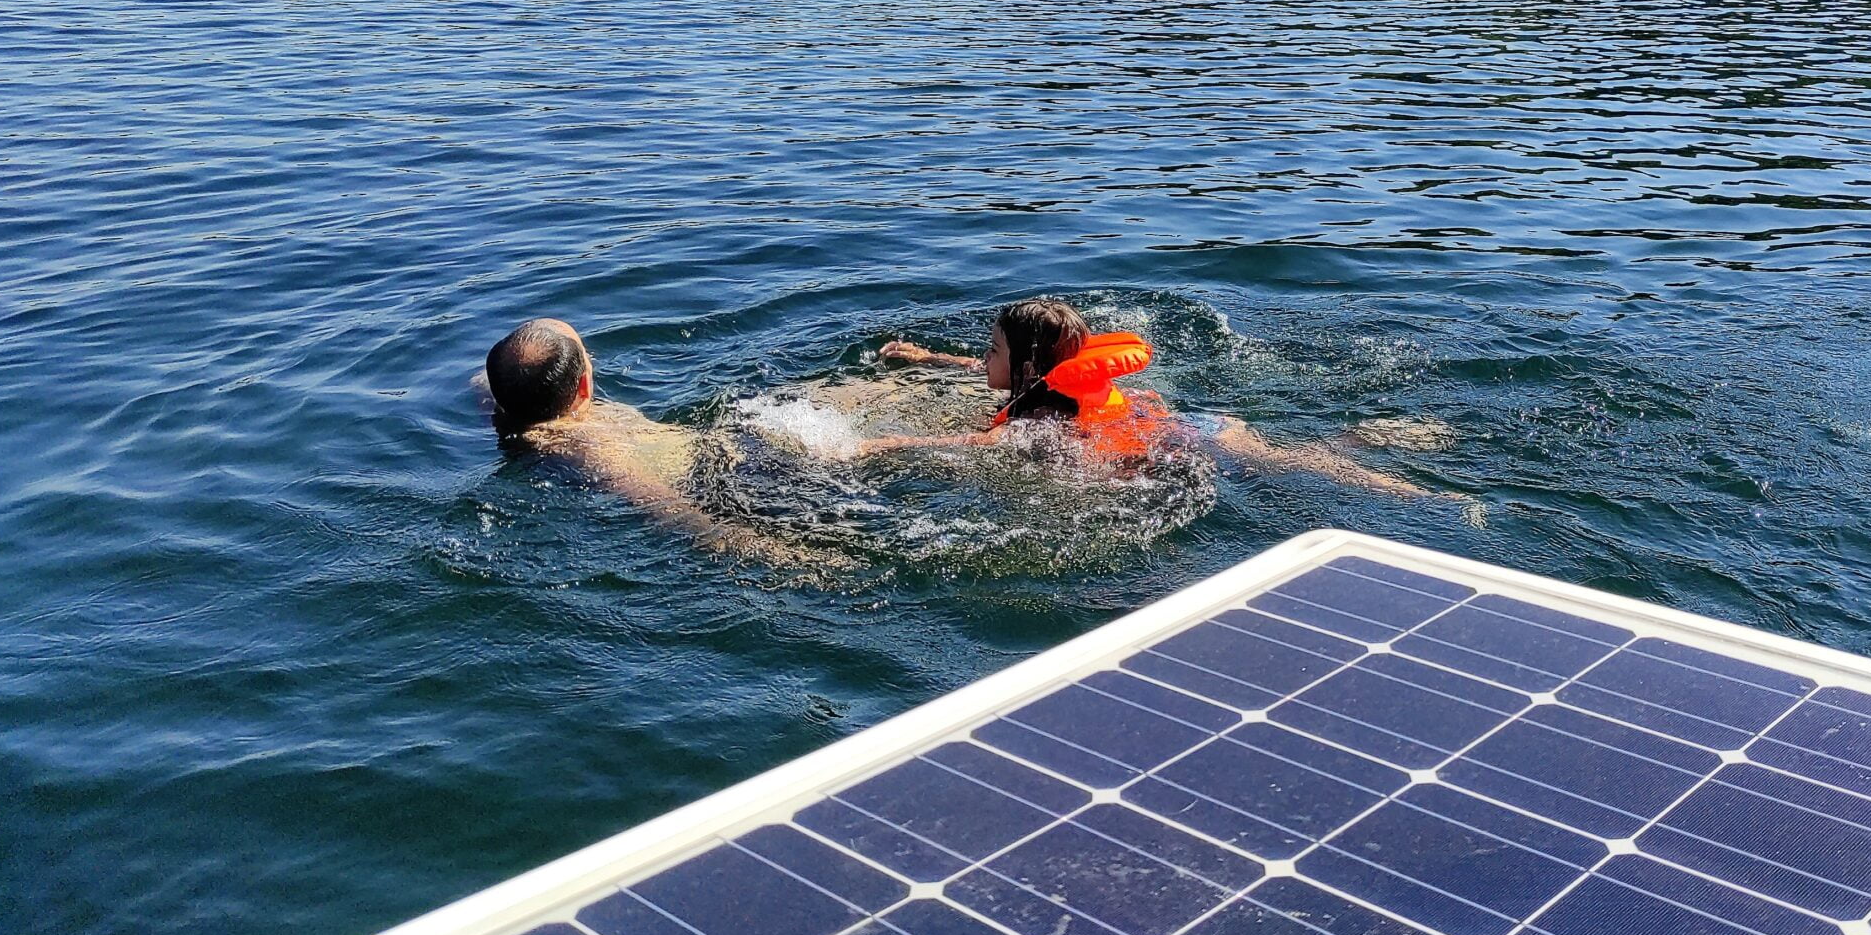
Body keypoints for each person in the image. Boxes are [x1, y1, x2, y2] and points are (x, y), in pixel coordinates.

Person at [877, 298, 1436, 498]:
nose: (983, 357)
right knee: (1285, 459)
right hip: (1199, 423)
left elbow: (975, 444)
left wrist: (881, 446)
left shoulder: (1040, 414)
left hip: (1168, 446)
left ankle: (1414, 493)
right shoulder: (1058, 381)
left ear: (1026, 367)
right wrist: (930, 359)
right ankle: (1365, 441)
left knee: (1289, 467)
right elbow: (987, 371)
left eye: (992, 349)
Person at [484, 319, 802, 564]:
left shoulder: (504, 404)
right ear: (584, 386)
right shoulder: (593, 449)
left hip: (728, 458)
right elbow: (678, 515)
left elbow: (492, 374)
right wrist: (794, 558)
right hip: (733, 480)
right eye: (587, 357)